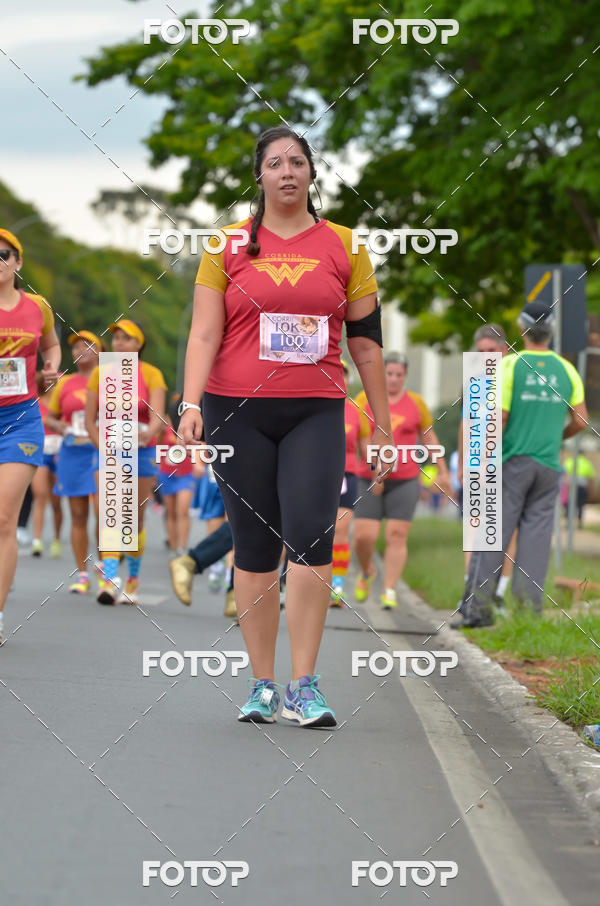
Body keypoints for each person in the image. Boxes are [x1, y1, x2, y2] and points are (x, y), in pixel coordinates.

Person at [178, 125, 390, 726]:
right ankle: (262, 684)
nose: (288, 172)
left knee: (311, 538)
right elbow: (204, 333)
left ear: (312, 174)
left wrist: (380, 424)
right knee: (254, 546)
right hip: (235, 411)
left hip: (315, 410)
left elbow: (366, 343)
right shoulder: (224, 244)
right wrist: (190, 404)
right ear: (260, 175)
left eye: (298, 162)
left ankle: (304, 685)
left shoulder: (346, 245)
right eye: (275, 163)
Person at [454, 301, 588, 628]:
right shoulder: (567, 369)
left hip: (511, 464)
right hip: (548, 467)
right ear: (551, 330)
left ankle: (477, 612)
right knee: (536, 542)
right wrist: (558, 437)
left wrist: (483, 460)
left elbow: (499, 419)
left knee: (491, 537)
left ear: (521, 328)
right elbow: (582, 420)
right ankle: (528, 617)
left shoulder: (510, 366)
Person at [0, 228, 61, 644]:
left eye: (3, 254)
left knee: (4, 519)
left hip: (20, 420)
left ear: (17, 262)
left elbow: (52, 346)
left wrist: (51, 368)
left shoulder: (37, 307)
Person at [353, 352, 450, 610]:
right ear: (381, 374)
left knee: (397, 535)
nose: (393, 379)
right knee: (364, 536)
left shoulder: (416, 403)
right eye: (389, 374)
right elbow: (361, 438)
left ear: (405, 376)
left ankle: (389, 590)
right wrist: (375, 471)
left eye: (398, 374)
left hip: (405, 478)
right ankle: (366, 571)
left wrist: (442, 471)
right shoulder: (364, 399)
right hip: (368, 477)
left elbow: (428, 436)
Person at [85, 319, 166, 605]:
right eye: (116, 338)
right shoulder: (100, 372)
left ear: (139, 344)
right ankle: (108, 580)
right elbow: (90, 421)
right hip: (108, 452)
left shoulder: (152, 374)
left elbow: (158, 418)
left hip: (141, 452)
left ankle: (132, 578)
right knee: (110, 512)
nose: (119, 343)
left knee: (134, 518)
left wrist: (147, 433)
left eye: (126, 338)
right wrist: (103, 448)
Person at [456, 324, 516, 612]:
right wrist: (463, 463)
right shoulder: (474, 384)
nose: (487, 357)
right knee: (473, 527)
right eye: (481, 352)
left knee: (506, 532)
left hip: (507, 463)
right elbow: (465, 424)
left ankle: (499, 594)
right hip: (476, 465)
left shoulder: (514, 381)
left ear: (505, 349)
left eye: (492, 350)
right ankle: (471, 590)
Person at [45, 331, 103, 592]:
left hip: (102, 452)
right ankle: (82, 575)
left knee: (104, 514)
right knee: (78, 515)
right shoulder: (65, 383)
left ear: (100, 351)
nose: (81, 350)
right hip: (73, 453)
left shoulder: (111, 381)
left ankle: (106, 568)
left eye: (87, 345)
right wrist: (61, 427)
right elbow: (51, 417)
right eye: (76, 346)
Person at [329, 359, 369, 606]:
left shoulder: (355, 411)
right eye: (335, 373)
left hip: (347, 476)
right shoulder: (316, 405)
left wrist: (377, 469)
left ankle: (337, 586)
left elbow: (366, 447)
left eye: (343, 374)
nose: (339, 378)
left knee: (340, 532)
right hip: (317, 476)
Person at [31, 372, 63, 557]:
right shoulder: (35, 401)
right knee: (40, 495)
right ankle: (37, 540)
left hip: (59, 454)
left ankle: (57, 539)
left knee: (56, 501)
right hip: (41, 453)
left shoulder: (61, 403)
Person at [562, 451, 596, 527]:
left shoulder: (569, 461)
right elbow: (591, 478)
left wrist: (565, 489)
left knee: (570, 504)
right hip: (582, 486)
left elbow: (564, 476)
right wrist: (591, 489)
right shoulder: (586, 462)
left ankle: (568, 522)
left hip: (571, 486)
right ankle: (580, 522)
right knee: (580, 504)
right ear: (583, 454)